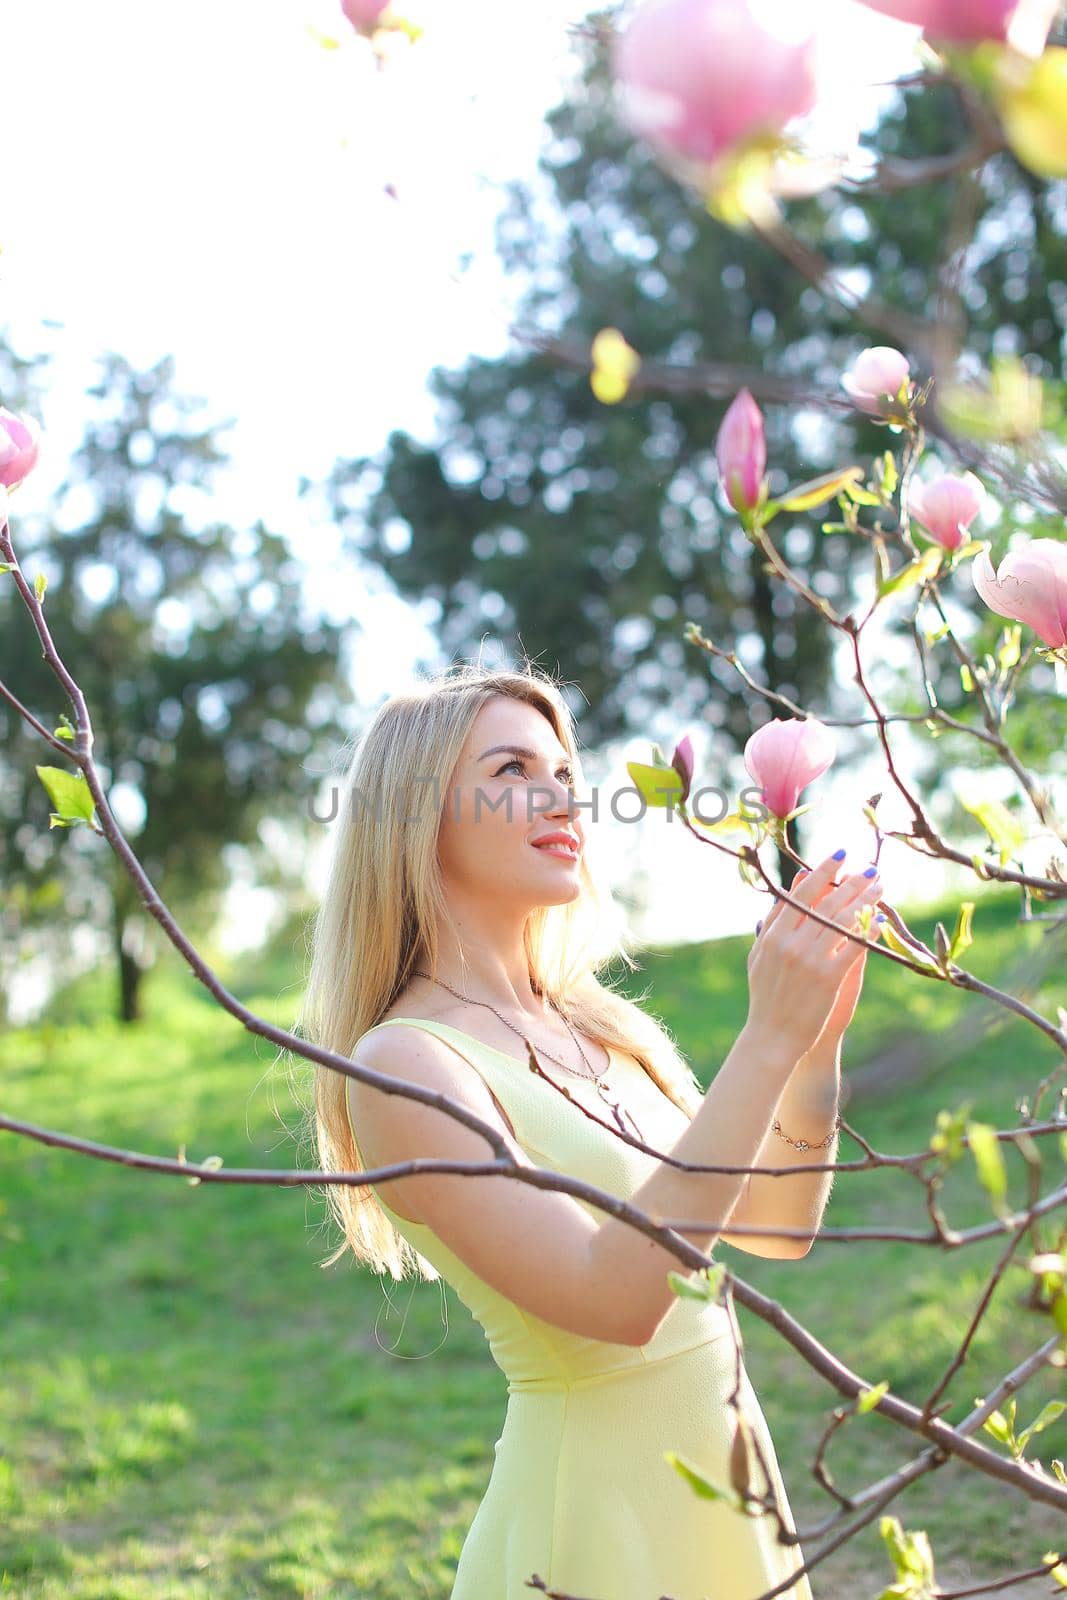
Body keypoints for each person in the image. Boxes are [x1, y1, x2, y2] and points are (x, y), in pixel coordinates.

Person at [299, 660, 883, 1600]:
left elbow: (775, 1224)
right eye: (510, 771)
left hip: (722, 1500)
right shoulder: (404, 1063)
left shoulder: (595, 1023)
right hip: (593, 1527)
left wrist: (812, 1043)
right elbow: (613, 1301)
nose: (562, 796)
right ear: (416, 815)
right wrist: (765, 1036)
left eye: (565, 773)